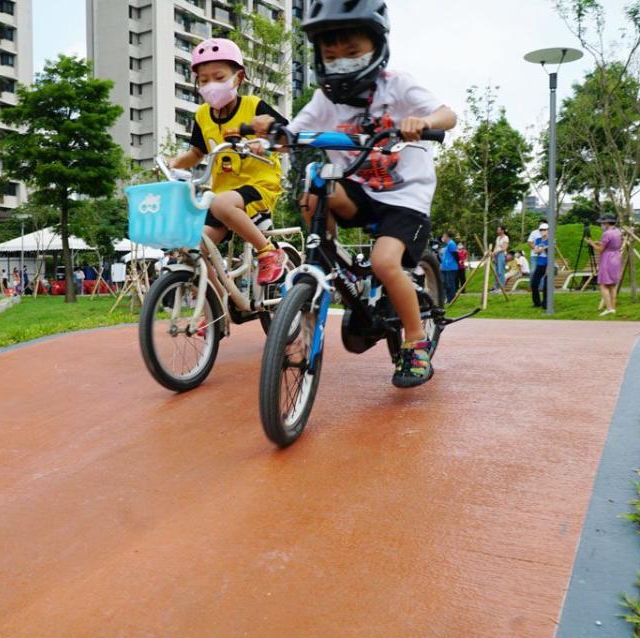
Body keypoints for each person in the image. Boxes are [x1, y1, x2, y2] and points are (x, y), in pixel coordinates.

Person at [254, 0, 457, 388]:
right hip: (359, 191)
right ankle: (327, 266)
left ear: (377, 47)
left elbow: (448, 115)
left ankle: (414, 343)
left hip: (405, 198)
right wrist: (273, 135)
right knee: (315, 190)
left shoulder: (397, 86)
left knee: (384, 263)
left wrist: (423, 121)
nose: (341, 61)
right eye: (331, 55)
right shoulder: (323, 99)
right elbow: (292, 134)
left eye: (352, 52)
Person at [168, 38, 288, 285]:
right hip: (221, 197)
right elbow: (196, 153)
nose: (211, 85)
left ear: (239, 78)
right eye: (204, 80)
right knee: (192, 247)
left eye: (219, 77)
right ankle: (216, 308)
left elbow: (287, 138)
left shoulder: (254, 106)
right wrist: (173, 163)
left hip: (259, 186)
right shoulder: (202, 115)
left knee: (220, 204)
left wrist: (265, 142)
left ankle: (268, 252)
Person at [586, 213, 622, 316]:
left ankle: (609, 308)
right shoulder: (617, 231)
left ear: (606, 222)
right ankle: (613, 308)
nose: (602, 225)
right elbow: (609, 244)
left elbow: (600, 249)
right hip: (616, 257)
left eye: (603, 223)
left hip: (607, 259)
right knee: (612, 285)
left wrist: (592, 243)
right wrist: (600, 242)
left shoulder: (607, 233)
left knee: (603, 284)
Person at [530, 224, 549, 308]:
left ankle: (546, 304)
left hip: (547, 264)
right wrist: (542, 249)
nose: (542, 231)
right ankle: (537, 303)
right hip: (539, 264)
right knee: (534, 284)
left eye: (544, 229)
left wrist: (542, 249)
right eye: (540, 230)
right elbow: (536, 251)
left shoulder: (551, 240)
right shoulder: (538, 240)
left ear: (548, 230)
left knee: (546, 286)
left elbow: (550, 252)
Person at [440, 231, 460, 303]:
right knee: (446, 284)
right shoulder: (447, 245)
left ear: (447, 236)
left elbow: (456, 255)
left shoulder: (451, 244)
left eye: (443, 236)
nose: (443, 237)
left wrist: (454, 263)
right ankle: (448, 299)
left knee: (450, 284)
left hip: (451, 268)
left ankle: (452, 299)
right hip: (445, 268)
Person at [491, 226, 509, 292]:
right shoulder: (498, 238)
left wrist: (497, 252)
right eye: (497, 230)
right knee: (496, 272)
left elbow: (504, 248)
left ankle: (502, 287)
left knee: (501, 271)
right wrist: (493, 254)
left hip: (501, 255)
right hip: (496, 255)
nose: (497, 231)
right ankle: (496, 287)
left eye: (499, 230)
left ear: (502, 230)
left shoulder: (506, 238)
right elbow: (496, 247)